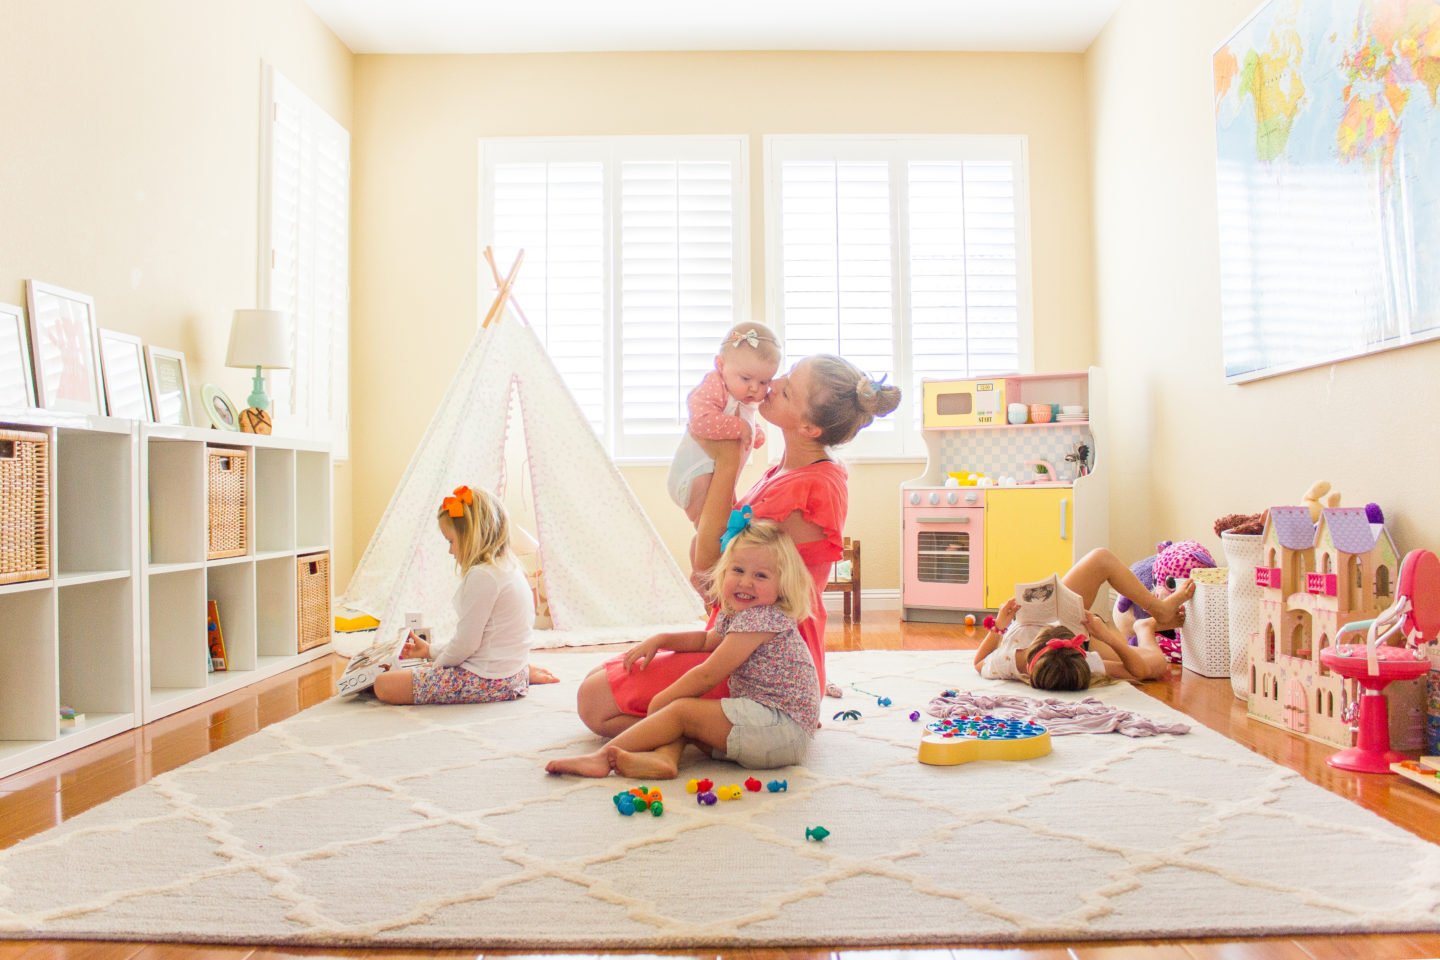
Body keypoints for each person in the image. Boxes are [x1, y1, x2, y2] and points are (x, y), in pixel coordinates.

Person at [575, 354, 902, 737]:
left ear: (809, 427)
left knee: (594, 701)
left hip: (762, 659)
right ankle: (689, 729)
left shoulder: (810, 489)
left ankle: (693, 732)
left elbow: (709, 561)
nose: (771, 384)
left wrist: (727, 458)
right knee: (601, 677)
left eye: (787, 389)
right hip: (734, 634)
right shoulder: (785, 471)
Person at [546, 519, 817, 779]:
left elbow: (708, 674)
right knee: (681, 721)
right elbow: (705, 642)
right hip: (767, 726)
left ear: (782, 586)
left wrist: (663, 700)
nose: (746, 582)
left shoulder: (762, 619)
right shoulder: (739, 615)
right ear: (724, 571)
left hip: (783, 730)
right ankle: (664, 758)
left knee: (680, 711)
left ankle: (602, 758)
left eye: (760, 575)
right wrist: (662, 639)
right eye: (738, 570)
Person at [373, 485, 535, 705]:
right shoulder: (509, 568)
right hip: (513, 674)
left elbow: (466, 645)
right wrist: (429, 650)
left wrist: (436, 667)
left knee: (383, 684)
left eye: (451, 541)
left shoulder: (482, 576)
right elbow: (476, 641)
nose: (450, 551)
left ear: (471, 537)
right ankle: (522, 676)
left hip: (486, 679)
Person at [972, 548, 1195, 690]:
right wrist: (1107, 637)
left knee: (1101, 558)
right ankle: (1144, 626)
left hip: (1046, 621)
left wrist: (999, 626)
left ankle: (1159, 610)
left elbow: (978, 662)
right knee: (1155, 666)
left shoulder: (1009, 660)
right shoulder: (1080, 664)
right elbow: (1138, 671)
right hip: (1083, 635)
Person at [667, 323, 781, 567]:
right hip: (694, 475)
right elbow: (700, 420)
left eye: (764, 382)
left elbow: (741, 417)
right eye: (746, 378)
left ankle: (707, 570)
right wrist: (740, 428)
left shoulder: (741, 397)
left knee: (719, 528)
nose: (754, 388)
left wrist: (755, 431)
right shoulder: (714, 384)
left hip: (714, 474)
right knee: (712, 529)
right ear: (720, 365)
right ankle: (702, 573)